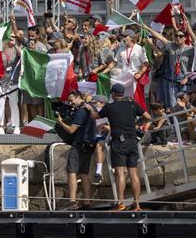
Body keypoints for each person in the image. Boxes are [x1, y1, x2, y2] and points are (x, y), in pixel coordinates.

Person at [86, 83, 150, 211]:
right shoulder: (132, 104)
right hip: (132, 141)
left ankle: (120, 203)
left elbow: (95, 116)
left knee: (120, 172)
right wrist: (137, 124)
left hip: (119, 142)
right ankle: (137, 204)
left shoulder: (110, 107)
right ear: (123, 94)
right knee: (133, 172)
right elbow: (148, 117)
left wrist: (89, 108)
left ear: (113, 94)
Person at [57, 90, 96, 210]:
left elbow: (71, 130)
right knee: (84, 173)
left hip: (79, 144)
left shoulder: (81, 110)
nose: (70, 103)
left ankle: (72, 201)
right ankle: (87, 201)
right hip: (90, 144)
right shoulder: (91, 108)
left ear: (78, 97)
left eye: (71, 100)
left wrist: (61, 122)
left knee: (72, 172)